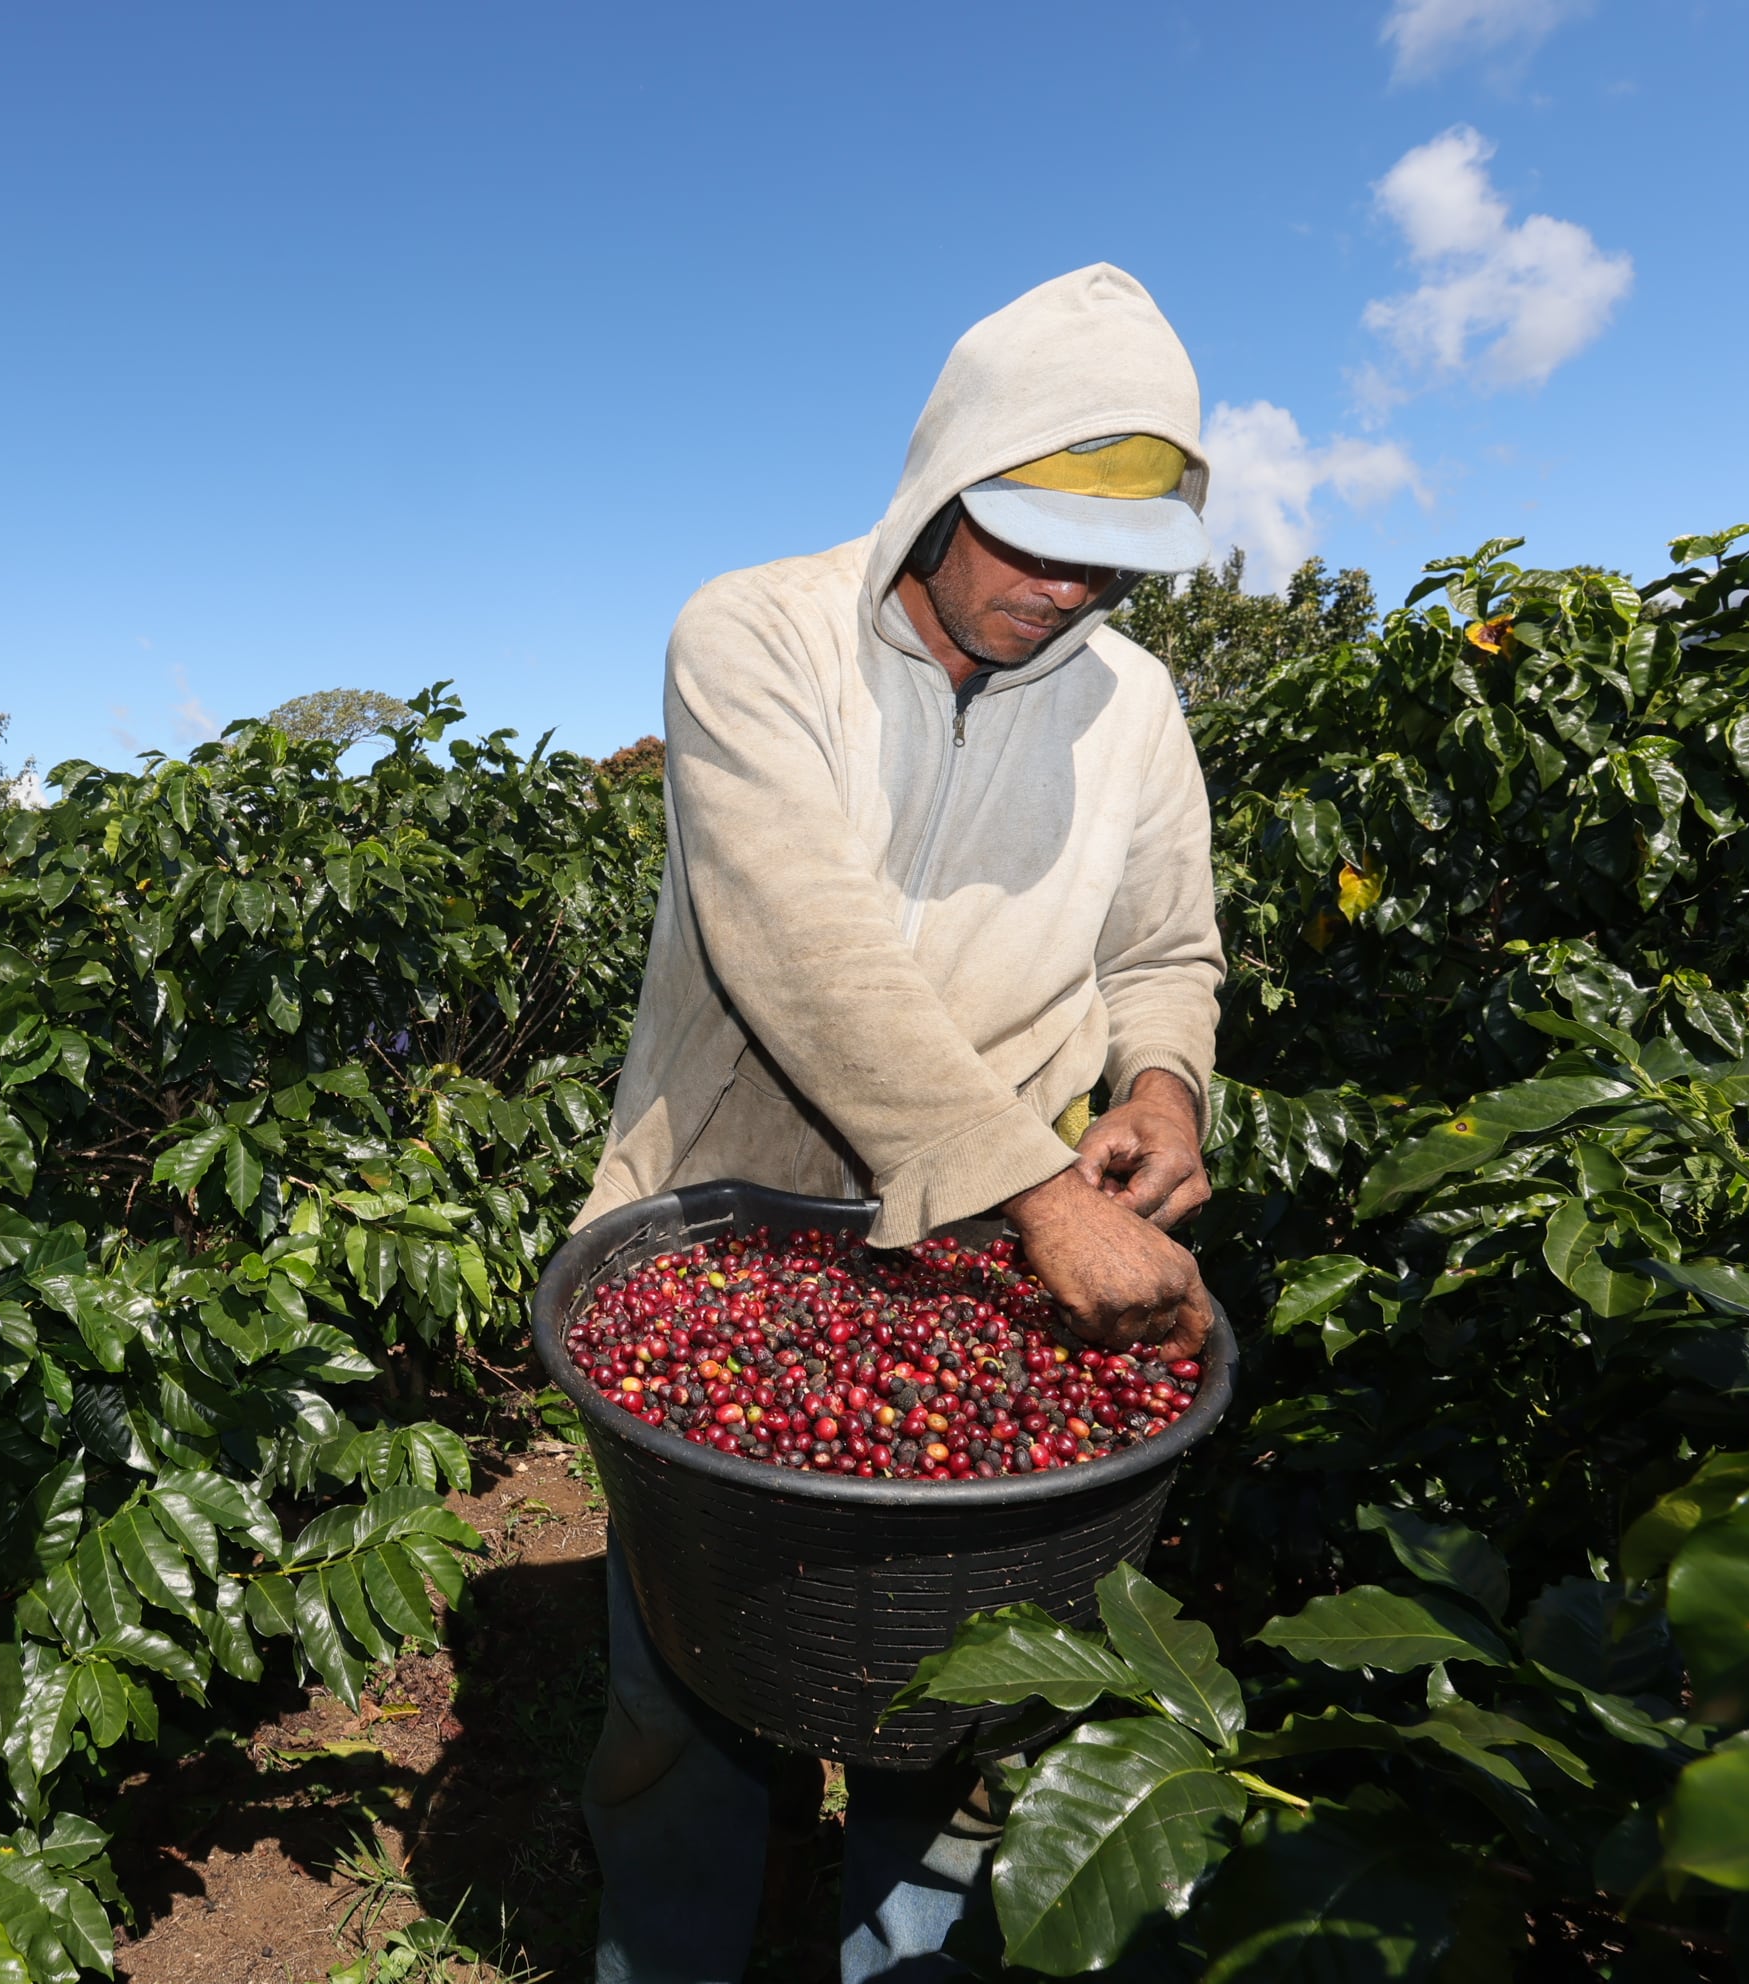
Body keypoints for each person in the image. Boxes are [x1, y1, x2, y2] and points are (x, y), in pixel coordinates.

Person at [573, 264, 1227, 1983]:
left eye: (1104, 559)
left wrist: (1162, 1083)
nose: (1064, 586)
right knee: (682, 1699)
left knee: (953, 1725)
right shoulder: (755, 635)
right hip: (720, 1221)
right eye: (1025, 537)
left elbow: (1165, 948)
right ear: (941, 483)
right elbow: (802, 950)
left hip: (985, 1265)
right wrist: (1038, 1192)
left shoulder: (1136, 709)